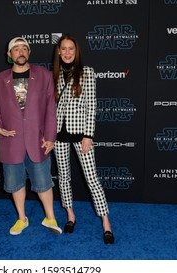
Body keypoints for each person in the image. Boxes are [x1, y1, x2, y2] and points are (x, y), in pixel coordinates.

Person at [0, 37, 62, 235]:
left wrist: (50, 137)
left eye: (24, 48)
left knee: (43, 182)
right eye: (16, 49)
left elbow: (50, 109)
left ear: (29, 53)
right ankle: (22, 219)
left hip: (38, 140)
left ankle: (50, 218)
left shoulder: (44, 75)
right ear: (9, 55)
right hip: (10, 141)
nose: (20, 52)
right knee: (14, 183)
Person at [52, 34, 114, 244]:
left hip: (81, 135)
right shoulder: (55, 74)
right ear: (59, 52)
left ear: (76, 51)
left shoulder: (87, 72)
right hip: (59, 134)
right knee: (63, 177)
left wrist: (89, 134)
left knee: (92, 178)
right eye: (64, 49)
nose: (68, 52)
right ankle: (70, 215)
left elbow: (91, 106)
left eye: (71, 48)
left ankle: (106, 222)